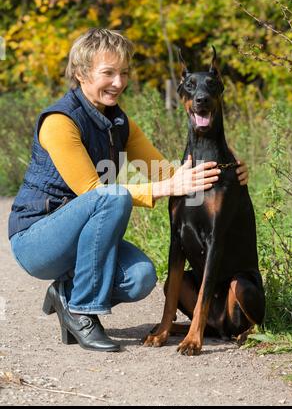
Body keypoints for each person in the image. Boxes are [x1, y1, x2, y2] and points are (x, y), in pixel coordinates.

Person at [8, 28, 248, 352]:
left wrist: (228, 168)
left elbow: (167, 171)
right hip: (37, 239)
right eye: (108, 73)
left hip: (78, 240)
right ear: (80, 73)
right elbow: (92, 190)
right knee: (114, 195)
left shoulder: (120, 123)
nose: (118, 83)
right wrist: (168, 186)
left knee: (141, 277)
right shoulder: (60, 121)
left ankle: (65, 294)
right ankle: (83, 310)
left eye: (124, 73)